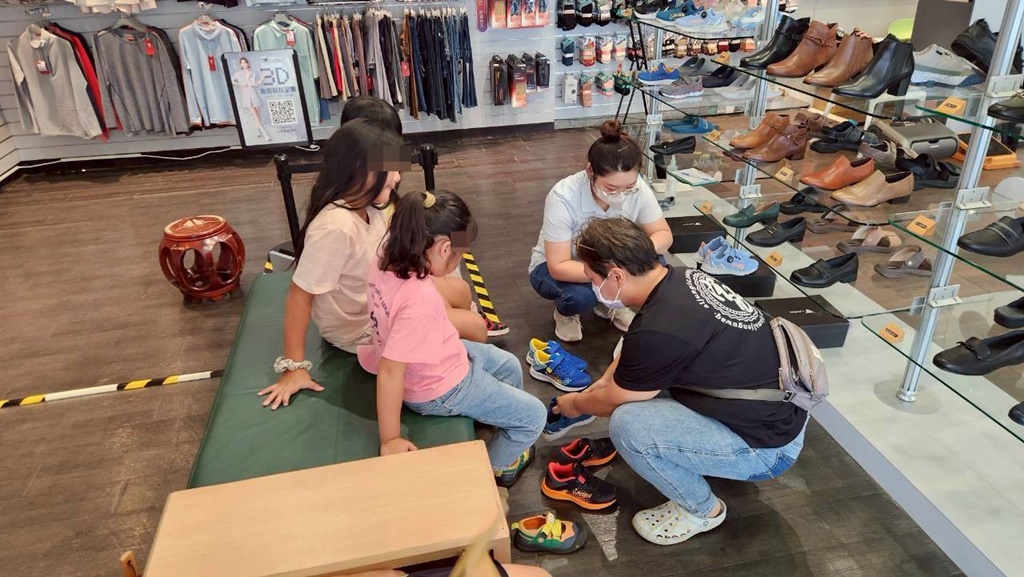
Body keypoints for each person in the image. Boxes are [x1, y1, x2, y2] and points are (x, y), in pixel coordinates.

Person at [552, 218, 808, 545]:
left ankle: (703, 510)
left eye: (592, 279)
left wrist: (574, 404)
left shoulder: (660, 329)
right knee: (630, 357)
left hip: (767, 449)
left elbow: (615, 399)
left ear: (616, 275)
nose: (593, 287)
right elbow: (630, 356)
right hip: (782, 410)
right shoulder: (682, 277)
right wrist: (599, 387)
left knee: (629, 427)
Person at [259, 119, 488, 410]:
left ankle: (459, 352)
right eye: (390, 168)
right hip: (363, 326)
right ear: (360, 171)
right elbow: (299, 295)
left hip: (383, 299)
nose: (397, 176)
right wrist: (294, 367)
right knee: (475, 326)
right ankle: (467, 389)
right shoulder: (334, 228)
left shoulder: (373, 205)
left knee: (461, 290)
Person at [358, 190, 546, 488]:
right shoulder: (418, 301)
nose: (456, 261)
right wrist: (390, 439)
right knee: (534, 416)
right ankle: (492, 470)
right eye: (458, 254)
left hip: (441, 355)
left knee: (508, 365)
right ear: (445, 248)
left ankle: (494, 419)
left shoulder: (385, 256)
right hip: (438, 388)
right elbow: (391, 371)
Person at [528, 119, 672, 342]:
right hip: (563, 266)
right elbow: (558, 266)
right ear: (590, 171)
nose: (621, 195)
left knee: (656, 264)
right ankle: (568, 311)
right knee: (579, 297)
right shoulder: (563, 196)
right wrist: (611, 272)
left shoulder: (639, 189)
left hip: (615, 265)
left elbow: (663, 234)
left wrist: (633, 254)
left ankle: (612, 301)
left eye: (629, 187)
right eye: (611, 188)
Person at [231, 57, 270, 141]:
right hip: (245, 93)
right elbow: (232, 80)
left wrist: (263, 76)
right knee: (254, 113)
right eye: (242, 63)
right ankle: (263, 132)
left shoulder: (252, 73)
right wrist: (240, 84)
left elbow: (257, 84)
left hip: (252, 92)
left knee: (257, 112)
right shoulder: (239, 73)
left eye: (245, 62)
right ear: (240, 65)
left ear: (248, 63)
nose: (244, 64)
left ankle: (257, 130)